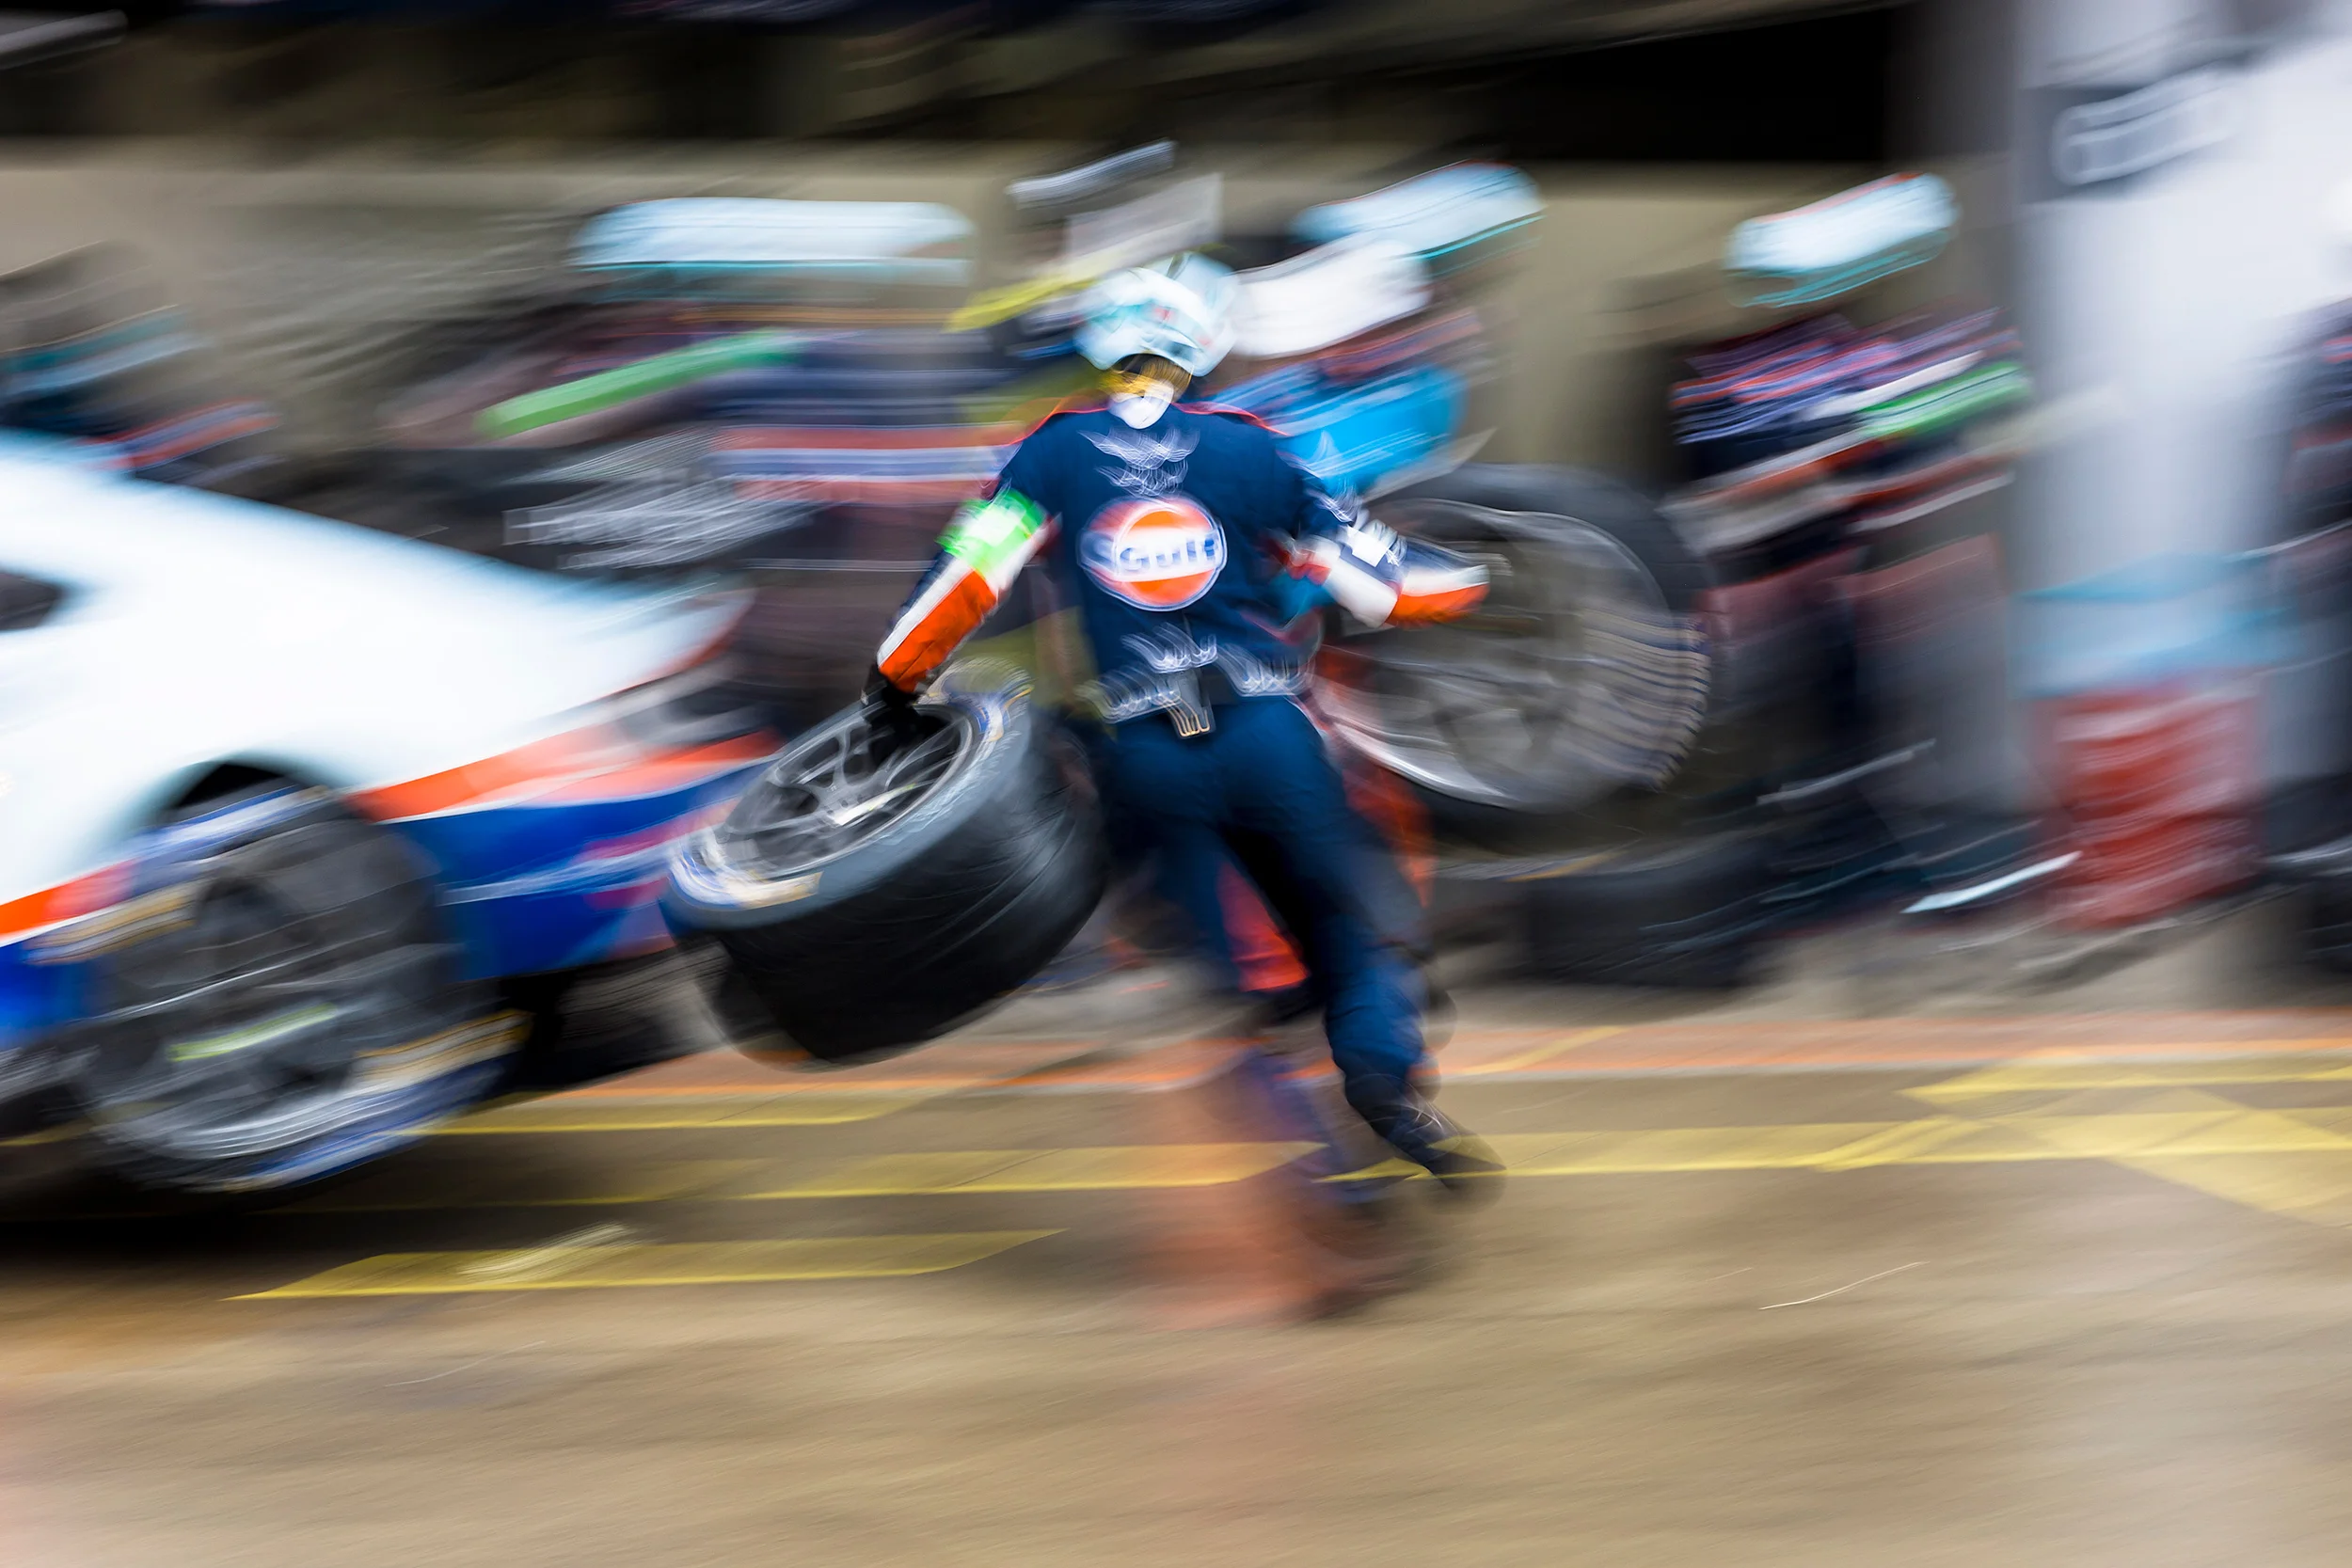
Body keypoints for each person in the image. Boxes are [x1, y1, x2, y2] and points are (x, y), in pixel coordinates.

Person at [868, 253, 1500, 1195]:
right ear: (1205, 345)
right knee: (1346, 931)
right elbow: (1389, 587)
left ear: (1100, 348)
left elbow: (967, 583)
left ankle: (1324, 1181)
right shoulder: (1255, 447)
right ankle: (1381, 1086)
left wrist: (893, 682)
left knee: (1222, 984)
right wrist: (1489, 574)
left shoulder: (1049, 451)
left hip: (1143, 753)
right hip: (1268, 732)